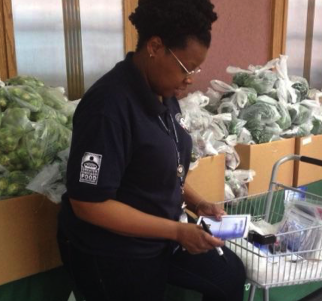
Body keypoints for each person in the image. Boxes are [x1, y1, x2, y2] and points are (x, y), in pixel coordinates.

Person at [57, 0, 246, 300]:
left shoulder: (163, 91)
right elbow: (88, 203)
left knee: (230, 276)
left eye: (196, 68)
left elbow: (164, 169)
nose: (190, 79)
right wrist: (176, 231)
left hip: (163, 233)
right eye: (186, 67)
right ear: (155, 47)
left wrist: (198, 204)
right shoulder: (107, 108)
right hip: (113, 248)